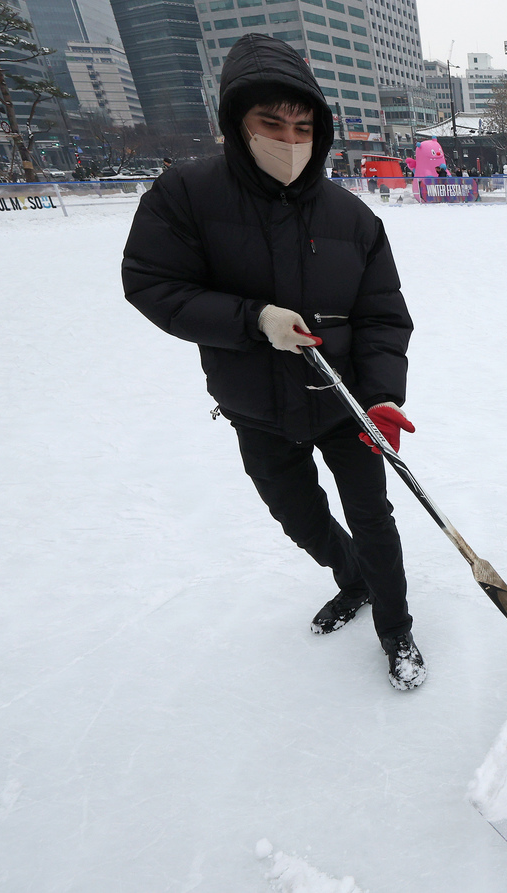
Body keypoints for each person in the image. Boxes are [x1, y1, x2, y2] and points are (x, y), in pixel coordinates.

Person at [121, 34, 426, 691]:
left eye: (303, 125)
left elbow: (382, 317)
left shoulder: (353, 219)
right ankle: (353, 579)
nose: (290, 139)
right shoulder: (185, 196)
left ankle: (397, 628)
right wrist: (252, 319)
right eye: (271, 123)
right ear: (236, 123)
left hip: (346, 405)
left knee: (374, 518)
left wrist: (381, 395)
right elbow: (152, 283)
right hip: (257, 406)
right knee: (299, 516)